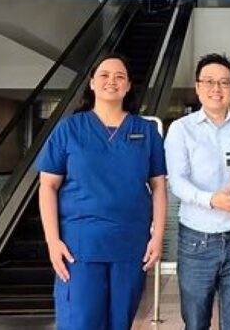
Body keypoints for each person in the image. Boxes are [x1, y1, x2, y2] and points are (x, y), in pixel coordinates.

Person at [37, 53, 167, 330]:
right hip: (79, 248)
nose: (112, 81)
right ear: (92, 83)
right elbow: (48, 185)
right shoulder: (69, 129)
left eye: (120, 76)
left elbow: (158, 187)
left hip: (130, 246)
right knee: (80, 322)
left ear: (128, 86)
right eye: (105, 75)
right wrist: (52, 241)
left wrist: (157, 236)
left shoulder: (146, 132)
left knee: (121, 323)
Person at [165, 53, 230, 330]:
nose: (216, 88)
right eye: (208, 81)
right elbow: (177, 181)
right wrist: (212, 200)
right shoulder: (181, 129)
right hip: (196, 241)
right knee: (196, 323)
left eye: (224, 82)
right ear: (197, 87)